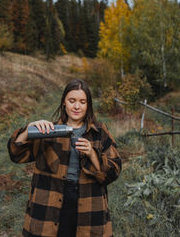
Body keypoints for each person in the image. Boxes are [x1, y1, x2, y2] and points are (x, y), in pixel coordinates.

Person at [7, 78, 122, 237]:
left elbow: (114, 172)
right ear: (64, 102)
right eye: (72, 100)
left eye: (82, 101)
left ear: (88, 105)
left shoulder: (99, 132)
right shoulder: (49, 131)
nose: (77, 106)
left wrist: (92, 153)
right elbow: (16, 154)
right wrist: (28, 129)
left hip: (89, 205)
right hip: (49, 204)